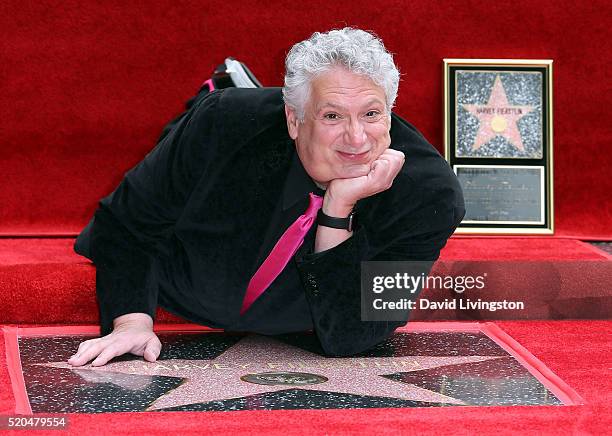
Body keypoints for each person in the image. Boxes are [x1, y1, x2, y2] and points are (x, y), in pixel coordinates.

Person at [68, 27, 465, 367]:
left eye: (372, 114)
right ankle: (225, 84)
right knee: (208, 124)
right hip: (235, 144)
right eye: (332, 116)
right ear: (294, 119)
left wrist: (337, 211)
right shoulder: (221, 125)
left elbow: (349, 335)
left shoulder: (429, 196)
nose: (357, 139)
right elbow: (126, 222)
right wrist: (131, 322)